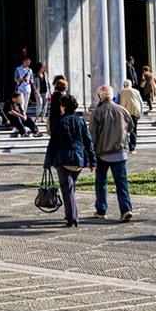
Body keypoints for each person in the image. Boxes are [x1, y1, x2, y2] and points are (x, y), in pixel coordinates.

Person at [43, 92, 92, 228]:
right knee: (71, 187)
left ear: (63, 107)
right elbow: (88, 141)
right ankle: (71, 213)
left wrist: (47, 161)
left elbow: (53, 142)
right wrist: (92, 160)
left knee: (67, 189)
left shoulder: (59, 121)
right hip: (78, 158)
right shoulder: (80, 121)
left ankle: (72, 217)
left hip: (63, 158)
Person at [90, 85, 134, 221]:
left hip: (103, 153)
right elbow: (131, 127)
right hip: (120, 152)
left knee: (101, 182)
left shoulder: (98, 112)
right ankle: (126, 209)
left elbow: (92, 135)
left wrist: (91, 154)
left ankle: (101, 210)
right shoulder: (122, 110)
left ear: (100, 97)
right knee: (121, 183)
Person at [118, 77, 143, 152]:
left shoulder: (121, 92)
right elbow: (141, 102)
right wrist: (141, 112)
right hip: (135, 112)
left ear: (124, 85)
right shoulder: (136, 91)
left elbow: (116, 101)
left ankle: (124, 146)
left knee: (123, 129)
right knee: (133, 130)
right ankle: (132, 148)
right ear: (131, 85)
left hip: (124, 112)